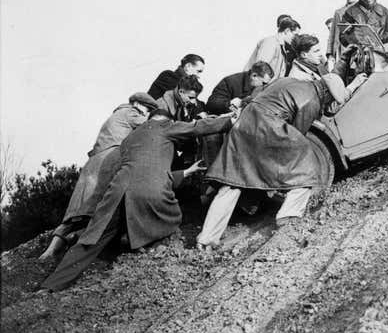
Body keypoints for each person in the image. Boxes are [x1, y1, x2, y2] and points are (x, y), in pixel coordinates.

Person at [41, 110, 234, 291]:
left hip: (116, 194)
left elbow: (142, 171)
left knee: (92, 238)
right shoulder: (166, 126)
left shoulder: (129, 139)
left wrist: (187, 171)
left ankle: (51, 285)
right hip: (150, 194)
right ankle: (150, 247)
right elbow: (196, 127)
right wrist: (229, 121)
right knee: (172, 217)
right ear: (166, 119)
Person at [196, 71, 368, 249]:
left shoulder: (289, 81)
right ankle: (288, 217)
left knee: (232, 183)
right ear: (325, 93)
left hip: (243, 127)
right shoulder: (311, 101)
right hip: (267, 128)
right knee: (307, 170)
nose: (328, 103)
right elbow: (298, 133)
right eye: (330, 99)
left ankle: (206, 238)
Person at [38, 92, 159, 260]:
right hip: (108, 162)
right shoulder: (131, 113)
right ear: (138, 104)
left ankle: (51, 250)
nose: (146, 113)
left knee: (75, 211)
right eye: (147, 109)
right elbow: (151, 126)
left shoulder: (116, 114)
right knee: (100, 206)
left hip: (93, 162)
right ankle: (78, 243)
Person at [205, 61, 275, 115]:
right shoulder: (230, 81)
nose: (264, 86)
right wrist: (229, 104)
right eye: (263, 83)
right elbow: (211, 104)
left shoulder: (256, 86)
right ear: (254, 76)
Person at [326, 0, 359, 68]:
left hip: (358, 51)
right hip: (342, 52)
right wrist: (330, 54)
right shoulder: (339, 12)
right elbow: (332, 34)